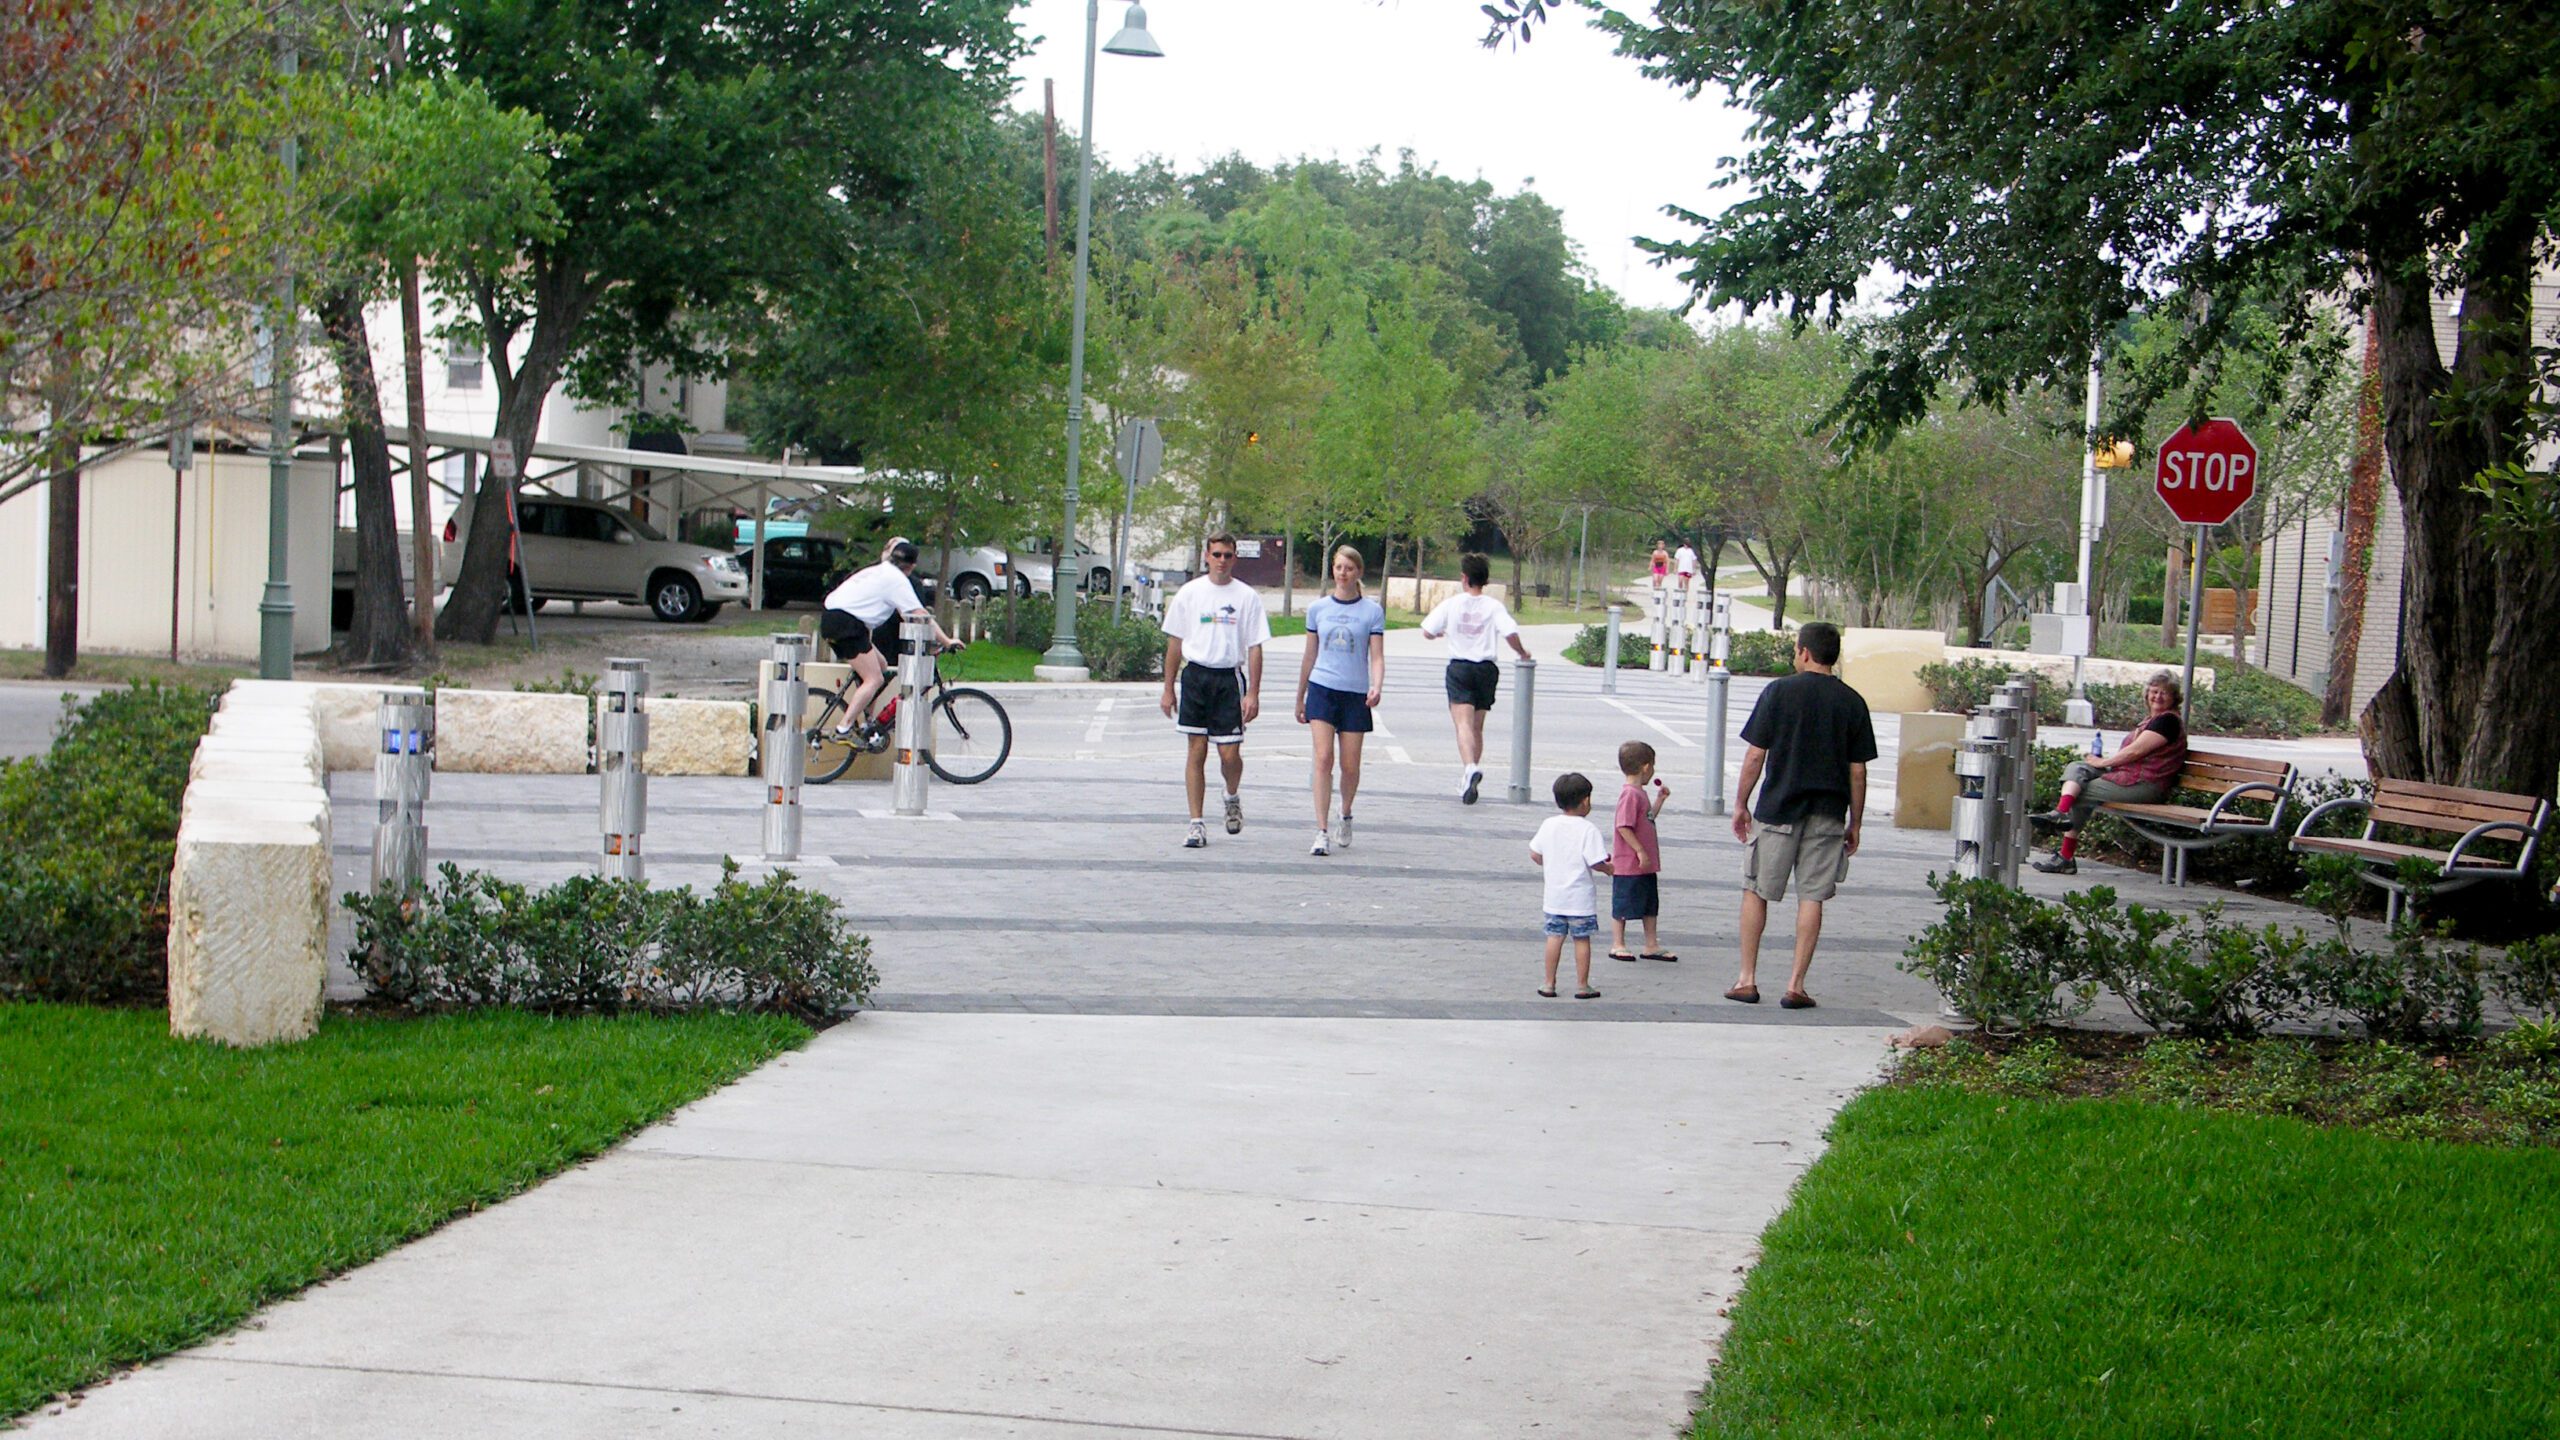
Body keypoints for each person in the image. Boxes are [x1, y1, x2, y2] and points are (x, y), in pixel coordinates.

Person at [1725, 621, 1876, 1010]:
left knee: (1756, 889)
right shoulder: (1853, 702)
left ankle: (1746, 979)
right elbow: (1858, 772)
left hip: (1778, 808)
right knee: (1812, 897)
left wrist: (1741, 803)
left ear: (1804, 652)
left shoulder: (1779, 691)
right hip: (1828, 813)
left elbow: (1755, 755)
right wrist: (1855, 822)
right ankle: (1795, 985)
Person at [1160, 533, 1272, 849]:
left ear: (1235, 558)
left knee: (1229, 753)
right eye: (1217, 554)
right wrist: (1168, 688)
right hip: (1196, 676)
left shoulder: (1247, 597)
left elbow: (1255, 647)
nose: (1222, 561)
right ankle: (1196, 823)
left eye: (1228, 555)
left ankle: (1231, 794)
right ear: (1207, 556)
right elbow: (1175, 643)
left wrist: (1253, 693)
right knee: (1196, 750)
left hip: (1228, 679)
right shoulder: (1190, 593)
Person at [2030, 671, 2189, 875]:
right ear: (2147, 693)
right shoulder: (2151, 720)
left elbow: (2135, 752)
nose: (2157, 696)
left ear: (2174, 697)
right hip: (2127, 777)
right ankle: (2060, 813)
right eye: (2154, 691)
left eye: (2164, 693)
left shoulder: (2167, 722)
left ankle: (2066, 857)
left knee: (2081, 793)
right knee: (2077, 767)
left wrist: (2103, 762)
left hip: (2146, 785)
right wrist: (2099, 763)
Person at [1294, 545, 1386, 856]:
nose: (1343, 573)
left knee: (1350, 765)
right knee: (1323, 758)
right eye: (1338, 567)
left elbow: (1377, 656)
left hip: (1355, 693)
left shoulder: (1372, 612)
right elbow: (1310, 654)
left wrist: (1376, 686)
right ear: (1332, 570)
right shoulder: (1318, 609)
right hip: (1322, 687)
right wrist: (1300, 696)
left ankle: (1345, 812)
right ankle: (1321, 830)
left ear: (1358, 572)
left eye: (1349, 568)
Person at [820, 539, 960, 739]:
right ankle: (844, 728)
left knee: (882, 666)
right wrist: (946, 641)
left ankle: (867, 721)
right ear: (912, 566)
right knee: (874, 679)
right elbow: (919, 614)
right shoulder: (897, 580)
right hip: (847, 625)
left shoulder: (881, 570)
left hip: (835, 618)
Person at [1420, 553, 1531, 804]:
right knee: (1477, 727)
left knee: (1463, 724)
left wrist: (1440, 634)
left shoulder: (1452, 604)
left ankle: (1470, 767)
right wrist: (1522, 652)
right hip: (1486, 669)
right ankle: (1469, 774)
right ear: (1486, 580)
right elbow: (1510, 633)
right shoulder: (1494, 606)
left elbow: (1427, 630)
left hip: (1460, 667)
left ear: (1464, 577)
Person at [1529, 771, 1612, 1000]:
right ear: (1585, 801)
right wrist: (1609, 869)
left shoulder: (1549, 824)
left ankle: (1549, 983)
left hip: (1554, 897)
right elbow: (1595, 862)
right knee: (1581, 940)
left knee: (1554, 938)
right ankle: (1582, 985)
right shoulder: (1588, 829)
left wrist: (1550, 862)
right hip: (1580, 900)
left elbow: (1535, 853)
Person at [1608, 740, 1676, 963]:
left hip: (1644, 865)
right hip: (1629, 864)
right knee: (1622, 904)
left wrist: (1659, 801)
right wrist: (1640, 851)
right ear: (1646, 767)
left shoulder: (1640, 793)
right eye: (1653, 766)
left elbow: (1647, 818)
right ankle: (1618, 943)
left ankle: (1651, 944)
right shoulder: (1630, 795)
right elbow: (1623, 826)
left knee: (1649, 904)